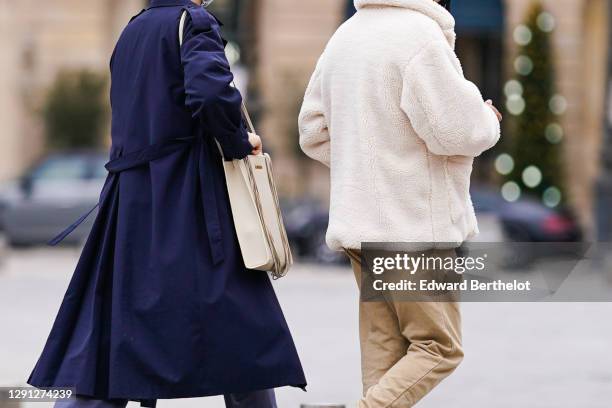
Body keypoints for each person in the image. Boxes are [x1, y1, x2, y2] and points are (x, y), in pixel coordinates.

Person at [28, 0, 306, 407]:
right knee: (239, 319)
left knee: (113, 328)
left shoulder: (132, 31)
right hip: (187, 195)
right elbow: (211, 94)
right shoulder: (193, 21)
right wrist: (237, 141)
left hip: (131, 199)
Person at [298, 0, 502, 407]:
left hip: (359, 227)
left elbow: (312, 132)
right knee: (439, 347)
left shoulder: (346, 36)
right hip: (411, 227)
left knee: (383, 355)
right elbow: (457, 130)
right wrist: (487, 119)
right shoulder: (419, 36)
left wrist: (364, 163)